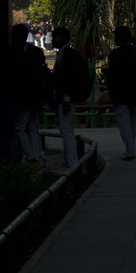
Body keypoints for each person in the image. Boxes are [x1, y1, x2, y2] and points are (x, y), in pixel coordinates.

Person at [105, 25, 136, 160]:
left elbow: (112, 76)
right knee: (131, 121)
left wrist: (111, 92)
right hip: (135, 93)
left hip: (120, 94)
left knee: (123, 122)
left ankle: (130, 148)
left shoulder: (115, 55)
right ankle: (131, 147)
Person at [8, 23, 51, 167]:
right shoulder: (36, 52)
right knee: (31, 126)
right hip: (33, 96)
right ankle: (38, 154)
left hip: (22, 97)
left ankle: (30, 155)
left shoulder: (13, 53)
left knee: (20, 128)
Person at [51, 26, 91, 170]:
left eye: (55, 37)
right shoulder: (65, 53)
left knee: (66, 131)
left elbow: (68, 78)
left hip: (66, 100)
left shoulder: (67, 54)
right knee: (66, 130)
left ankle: (72, 162)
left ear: (62, 38)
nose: (52, 40)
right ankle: (68, 160)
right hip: (65, 98)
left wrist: (67, 98)